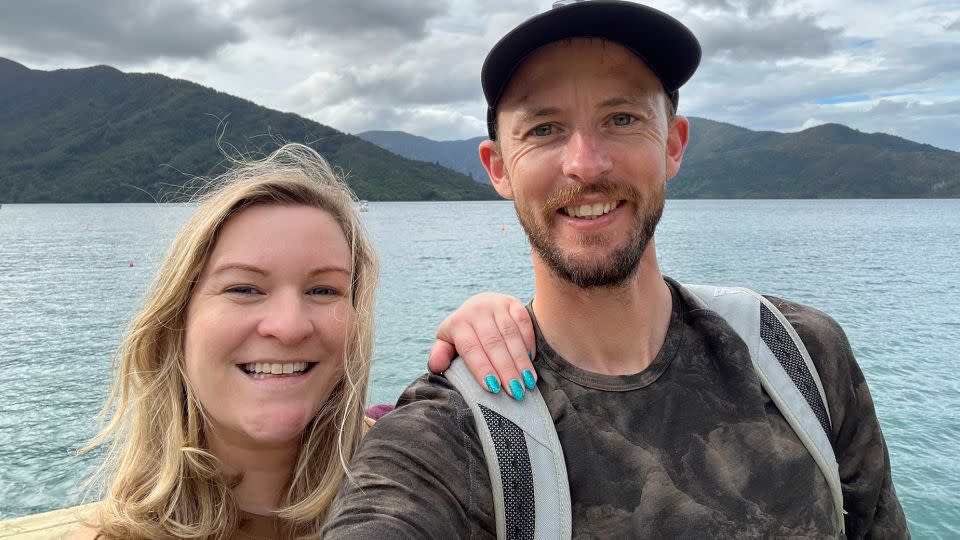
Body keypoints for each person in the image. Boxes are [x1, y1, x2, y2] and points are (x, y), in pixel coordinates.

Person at [322, 1, 909, 538]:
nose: (586, 164)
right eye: (544, 129)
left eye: (622, 118)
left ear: (674, 145)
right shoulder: (452, 432)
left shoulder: (801, 358)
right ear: (497, 167)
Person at [70, 143, 535, 540]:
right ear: (177, 321)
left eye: (323, 290)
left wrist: (509, 332)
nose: (289, 326)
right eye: (244, 289)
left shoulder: (420, 468)